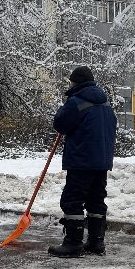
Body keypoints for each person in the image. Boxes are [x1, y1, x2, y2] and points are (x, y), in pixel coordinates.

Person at [49, 65, 118, 257]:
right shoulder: (106, 104)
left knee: (72, 200)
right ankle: (96, 242)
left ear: (75, 83)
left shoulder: (76, 102)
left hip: (81, 160)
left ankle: (73, 244)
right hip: (102, 161)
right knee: (96, 200)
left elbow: (60, 124)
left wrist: (65, 107)